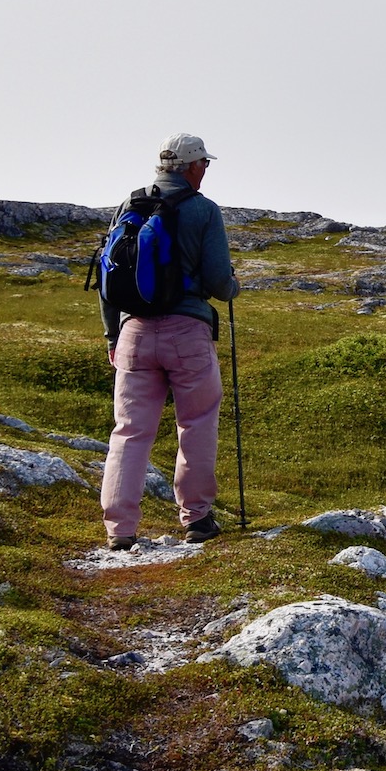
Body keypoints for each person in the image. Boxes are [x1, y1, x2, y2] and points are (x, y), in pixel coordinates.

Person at [100, 133, 239, 550]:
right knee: (195, 424)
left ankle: (119, 530)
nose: (206, 171)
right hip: (187, 333)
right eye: (205, 164)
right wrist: (232, 287)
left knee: (129, 431)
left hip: (134, 334)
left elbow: (110, 279)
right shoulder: (203, 210)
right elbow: (217, 281)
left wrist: (113, 335)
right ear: (192, 166)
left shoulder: (129, 205)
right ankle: (197, 519)